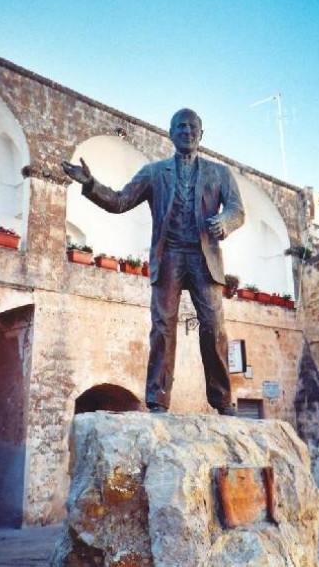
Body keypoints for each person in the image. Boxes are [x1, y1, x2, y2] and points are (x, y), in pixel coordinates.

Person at [62, 109, 245, 415]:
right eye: (180, 127)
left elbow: (237, 209)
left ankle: (223, 400)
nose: (187, 132)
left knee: (213, 328)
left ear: (201, 134)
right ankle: (158, 399)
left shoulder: (219, 173)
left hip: (204, 258)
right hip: (169, 254)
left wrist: (225, 222)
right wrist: (90, 184)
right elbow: (120, 201)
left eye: (192, 127)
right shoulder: (154, 172)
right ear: (171, 133)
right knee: (162, 328)